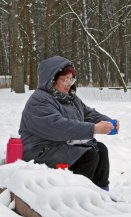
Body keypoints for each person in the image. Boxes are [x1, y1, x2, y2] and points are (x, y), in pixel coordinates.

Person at [19, 55, 119, 190]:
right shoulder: (39, 101)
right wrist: (94, 128)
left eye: (71, 79)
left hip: (60, 146)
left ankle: (101, 193)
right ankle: (78, 193)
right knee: (88, 155)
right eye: (65, 79)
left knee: (100, 149)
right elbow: (58, 127)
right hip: (40, 151)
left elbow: (88, 113)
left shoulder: (70, 98)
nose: (69, 83)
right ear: (51, 80)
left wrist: (106, 122)